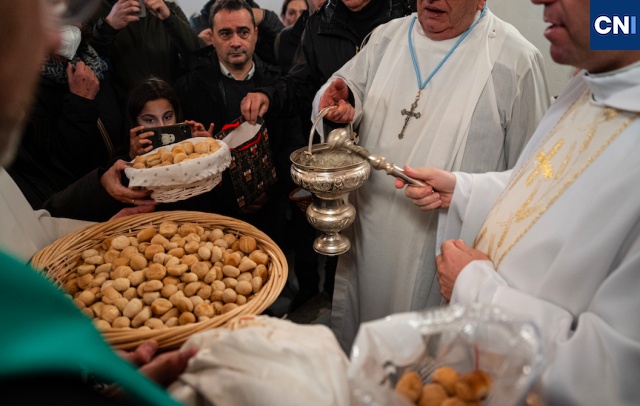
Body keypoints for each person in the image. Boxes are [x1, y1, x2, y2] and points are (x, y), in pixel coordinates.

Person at [395, 0, 640, 403]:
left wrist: (475, 289)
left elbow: (610, 375)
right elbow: (553, 184)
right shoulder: (593, 82)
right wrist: (465, 190)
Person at [314, 0, 551, 352]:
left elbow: (534, 175)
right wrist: (342, 102)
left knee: (425, 366)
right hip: (372, 228)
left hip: (443, 241)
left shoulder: (514, 60)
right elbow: (347, 89)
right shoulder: (386, 37)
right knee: (368, 341)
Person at [0, 0, 196, 403]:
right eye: (20, 20)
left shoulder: (91, 64)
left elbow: (30, 230)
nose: (56, 36)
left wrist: (103, 222)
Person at [242, 0, 415, 313]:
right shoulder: (320, 23)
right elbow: (300, 85)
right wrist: (269, 95)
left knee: (391, 257)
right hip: (341, 158)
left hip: (395, 151)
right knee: (344, 258)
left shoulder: (407, 13)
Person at [174, 0, 305, 249]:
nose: (235, 41)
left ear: (255, 34)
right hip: (212, 220)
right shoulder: (187, 88)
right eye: (226, 33)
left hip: (270, 215)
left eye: (243, 32)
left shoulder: (280, 84)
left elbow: (294, 146)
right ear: (211, 37)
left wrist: (270, 191)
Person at [6, 23, 123, 209]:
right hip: (77, 206)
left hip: (115, 193)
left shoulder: (92, 62)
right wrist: (80, 102)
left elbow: (113, 129)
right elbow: (58, 166)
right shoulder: (25, 87)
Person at [89, 0, 203, 106]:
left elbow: (201, 57)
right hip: (126, 112)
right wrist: (108, 27)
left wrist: (169, 18)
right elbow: (88, 63)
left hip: (170, 108)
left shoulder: (168, 8)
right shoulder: (93, 11)